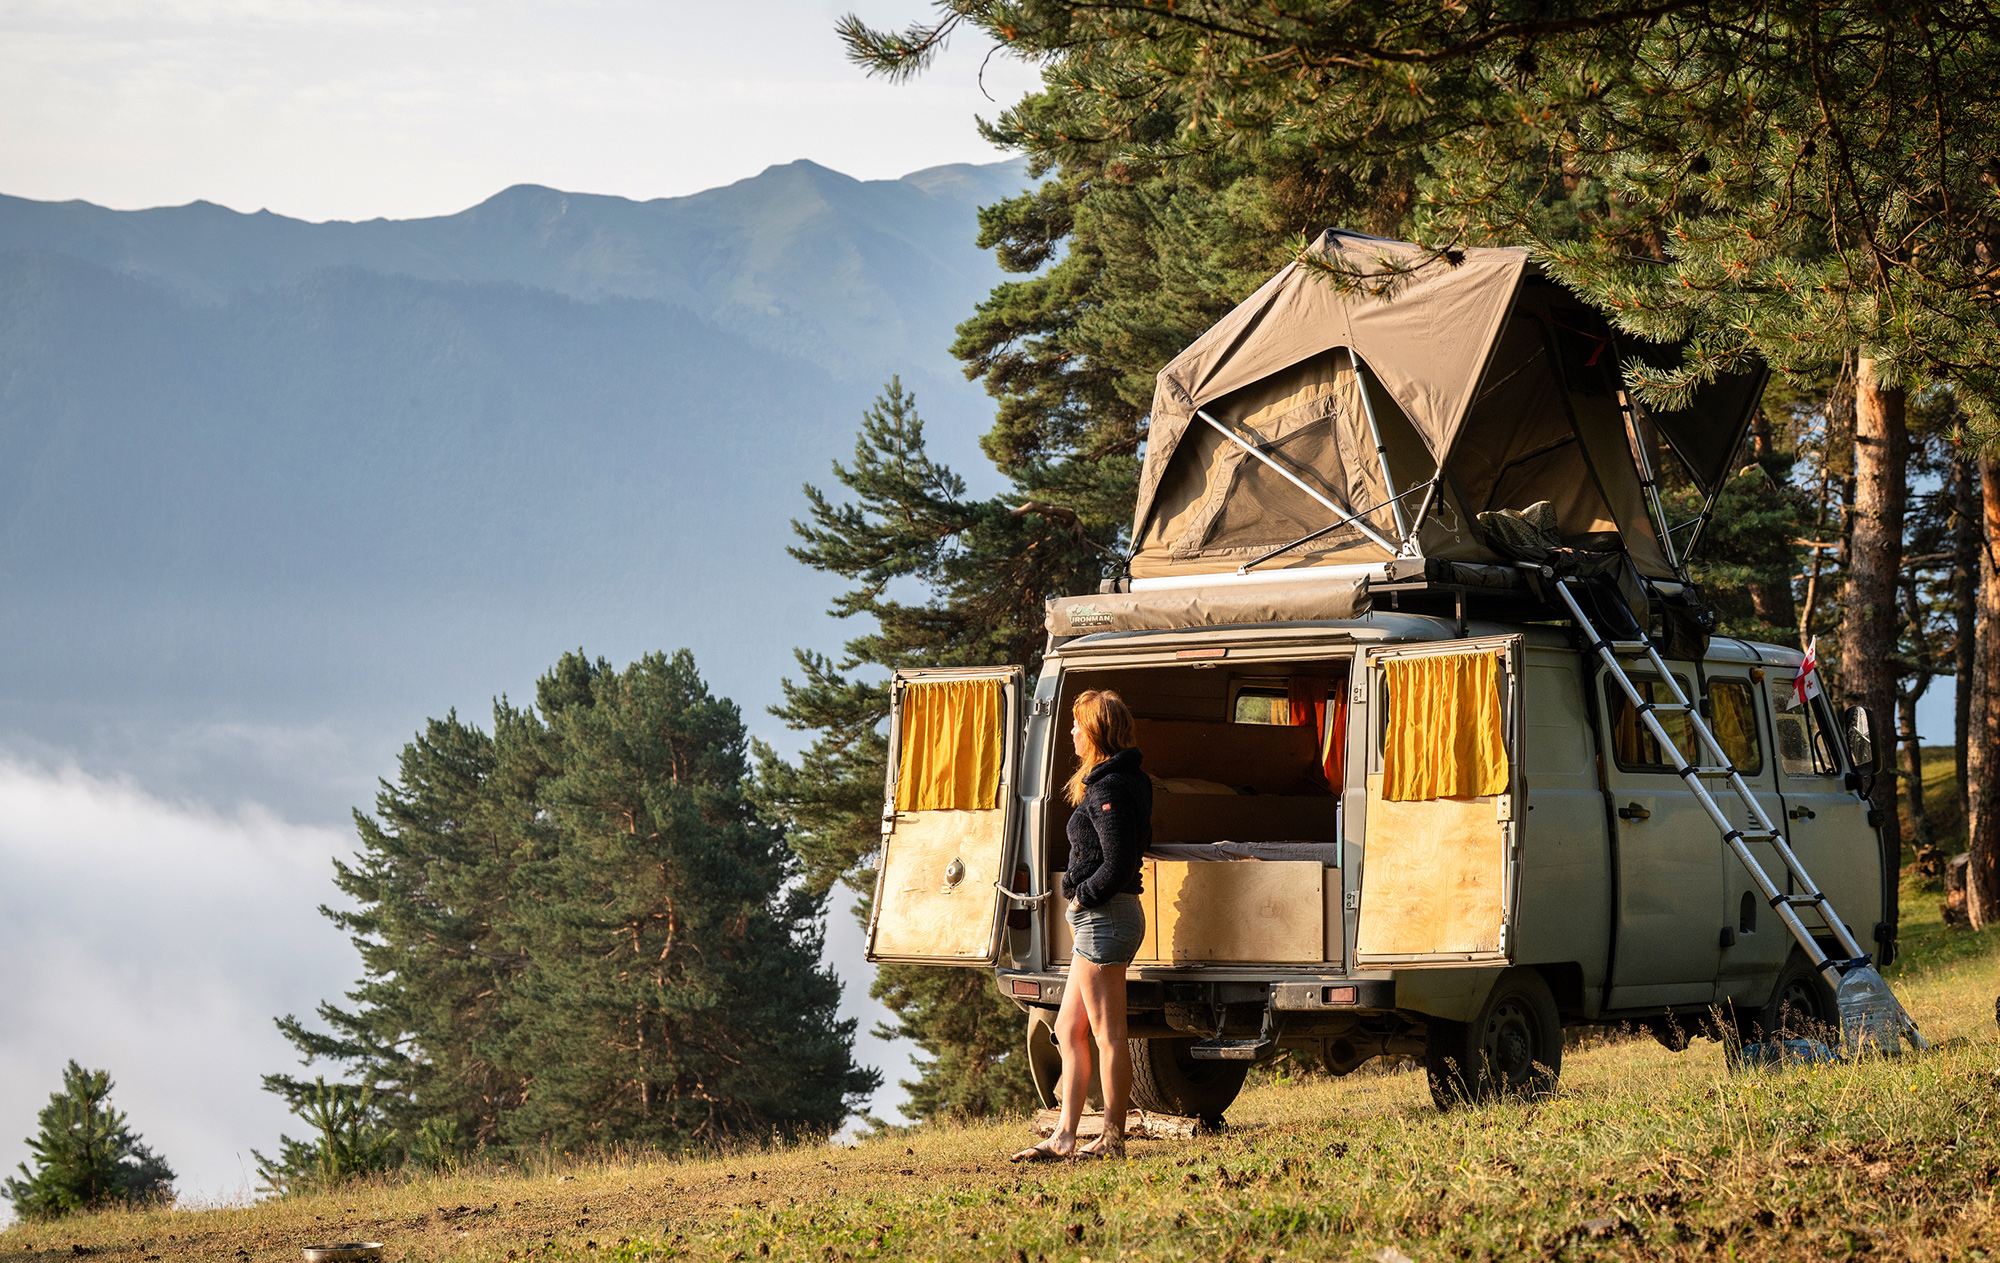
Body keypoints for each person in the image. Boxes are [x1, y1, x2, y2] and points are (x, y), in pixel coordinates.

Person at [1012, 688, 1151, 1161]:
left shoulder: (1109, 788)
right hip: (1101, 918)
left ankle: (1113, 1137)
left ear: (1093, 730)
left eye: (1076, 724)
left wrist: (1079, 896)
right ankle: (1065, 1136)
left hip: (1105, 919)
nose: (1070, 731)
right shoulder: (1120, 780)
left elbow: (1117, 863)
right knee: (1069, 1029)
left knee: (1108, 1034)